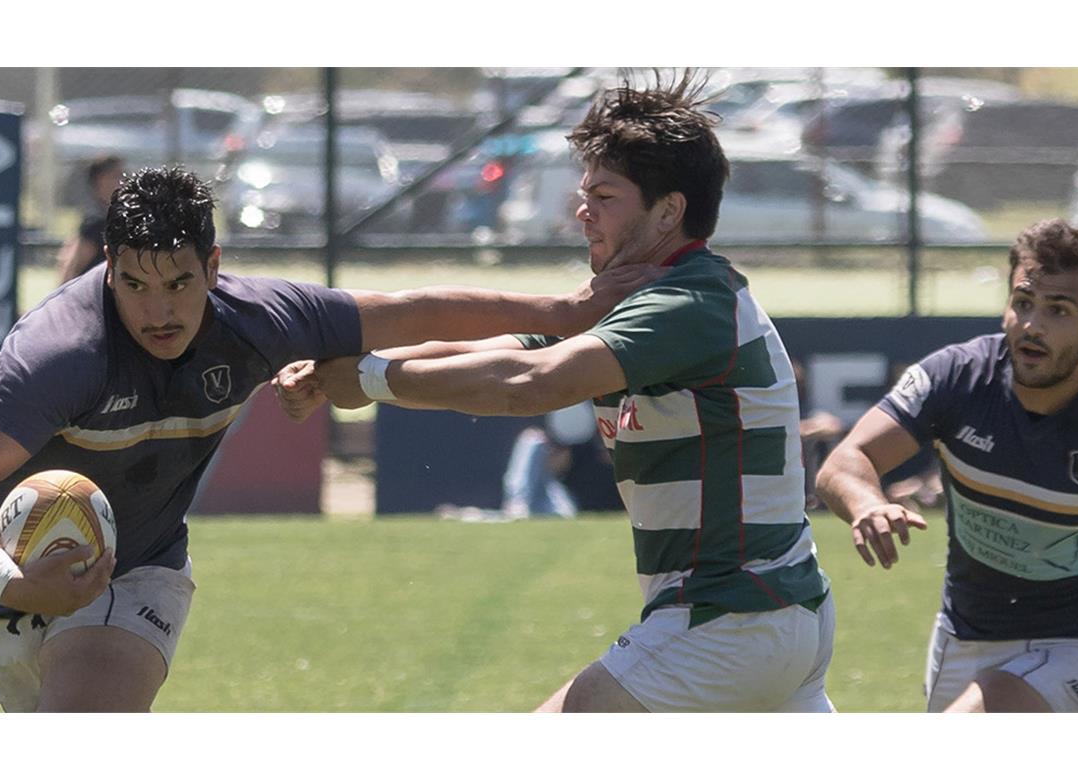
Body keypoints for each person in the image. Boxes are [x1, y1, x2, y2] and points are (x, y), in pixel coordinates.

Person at [0, 165, 655, 713]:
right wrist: (12, 581)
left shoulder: (256, 318)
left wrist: (566, 309)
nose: (159, 309)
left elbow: (405, 311)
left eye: (178, 281)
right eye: (136, 285)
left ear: (213, 265)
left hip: (136, 571)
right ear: (110, 271)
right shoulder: (63, 351)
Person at [277, 73, 835, 713]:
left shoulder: (685, 303)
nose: (582, 212)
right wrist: (348, 373)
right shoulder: (642, 298)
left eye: (604, 196)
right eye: (584, 194)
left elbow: (527, 385)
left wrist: (372, 380)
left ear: (669, 210)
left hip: (730, 617)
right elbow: (497, 353)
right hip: (779, 613)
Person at [814, 218, 1078, 713]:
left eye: (1058, 310)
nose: (1032, 325)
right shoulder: (954, 380)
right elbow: (845, 462)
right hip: (964, 636)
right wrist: (868, 502)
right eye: (1023, 303)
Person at [56, 154, 125, 284]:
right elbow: (72, 267)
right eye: (116, 176)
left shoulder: (121, 219)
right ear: (100, 181)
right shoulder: (95, 224)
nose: (122, 181)